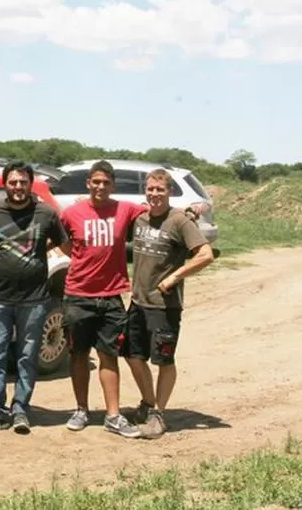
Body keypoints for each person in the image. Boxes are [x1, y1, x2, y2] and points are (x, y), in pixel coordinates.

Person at [59, 160, 208, 439]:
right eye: (96, 182)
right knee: (86, 355)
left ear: (113, 185)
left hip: (116, 296)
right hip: (84, 296)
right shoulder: (74, 212)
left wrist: (194, 209)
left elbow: (170, 215)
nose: (100, 186)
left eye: (106, 182)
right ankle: (84, 409)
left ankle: (117, 415)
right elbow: (61, 238)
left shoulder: (128, 210)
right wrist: (79, 258)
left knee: (112, 356)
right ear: (88, 183)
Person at [0, 161, 69, 435]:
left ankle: (21, 410)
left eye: (23, 182)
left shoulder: (47, 214)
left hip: (34, 299)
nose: (18, 187)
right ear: (5, 184)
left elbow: (66, 243)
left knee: (27, 357)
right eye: (13, 182)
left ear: (30, 183)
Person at [124, 168, 214, 439]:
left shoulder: (180, 221)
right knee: (132, 355)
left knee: (164, 360)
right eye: (150, 189)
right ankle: (148, 403)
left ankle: (158, 414)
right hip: (138, 302)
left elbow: (205, 254)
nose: (154, 194)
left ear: (169, 192)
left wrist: (174, 277)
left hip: (165, 305)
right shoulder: (140, 218)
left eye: (160, 190)